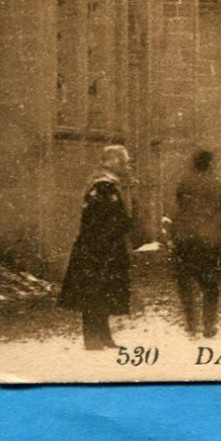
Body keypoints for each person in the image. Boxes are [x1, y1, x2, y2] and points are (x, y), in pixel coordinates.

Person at [57, 144, 133, 350]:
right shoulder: (103, 186)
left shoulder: (108, 185)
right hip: (97, 248)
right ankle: (92, 339)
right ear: (113, 162)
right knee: (94, 292)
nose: (128, 166)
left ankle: (103, 335)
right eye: (125, 162)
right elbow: (101, 220)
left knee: (104, 291)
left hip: (104, 247)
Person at [171, 149, 221, 337]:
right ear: (209, 164)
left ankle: (192, 323)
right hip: (209, 239)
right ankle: (209, 325)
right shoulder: (215, 183)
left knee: (185, 281)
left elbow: (179, 202)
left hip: (186, 237)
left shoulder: (185, 181)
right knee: (211, 284)